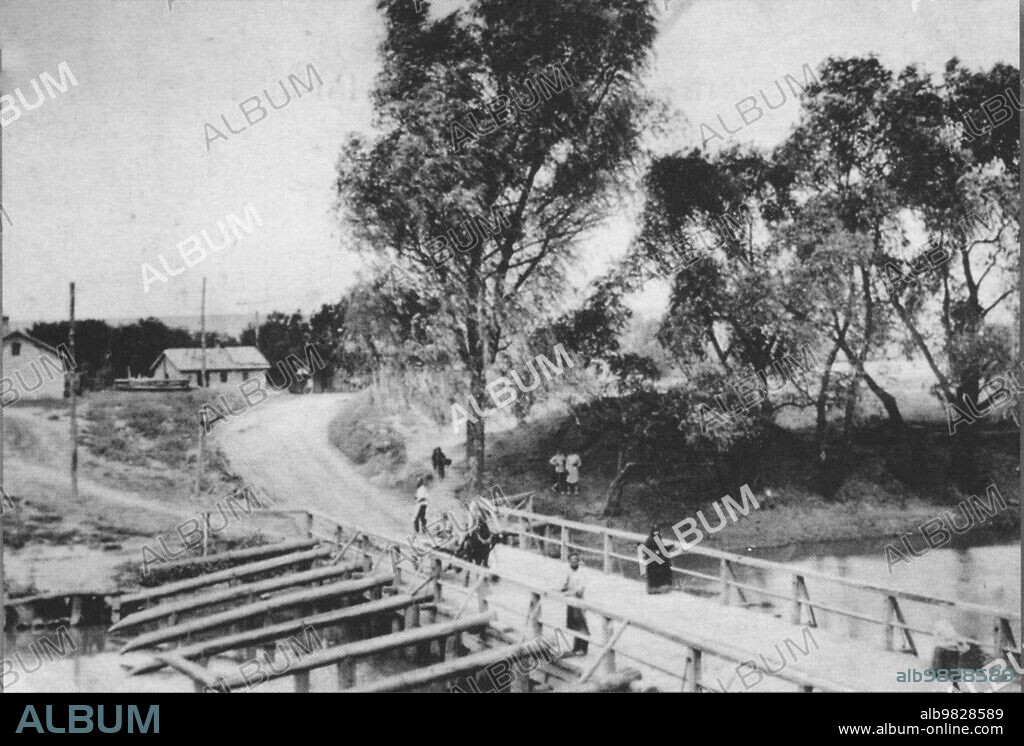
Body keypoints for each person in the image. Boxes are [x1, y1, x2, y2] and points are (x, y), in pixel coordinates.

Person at [556, 552, 590, 656]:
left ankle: (583, 648)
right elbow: (564, 584)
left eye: (576, 560)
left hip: (579, 601)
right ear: (569, 561)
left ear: (578, 561)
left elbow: (581, 589)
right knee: (574, 624)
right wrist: (563, 588)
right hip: (571, 600)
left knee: (581, 623)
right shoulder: (568, 571)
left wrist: (574, 592)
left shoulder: (582, 572)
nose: (574, 562)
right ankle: (576, 648)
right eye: (571, 560)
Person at [641, 527, 673, 594]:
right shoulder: (650, 540)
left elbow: (662, 548)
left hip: (656, 562)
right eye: (655, 532)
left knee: (657, 575)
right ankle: (653, 590)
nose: (657, 533)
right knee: (654, 575)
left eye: (658, 532)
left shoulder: (656, 539)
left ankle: (657, 589)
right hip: (652, 562)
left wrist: (670, 546)